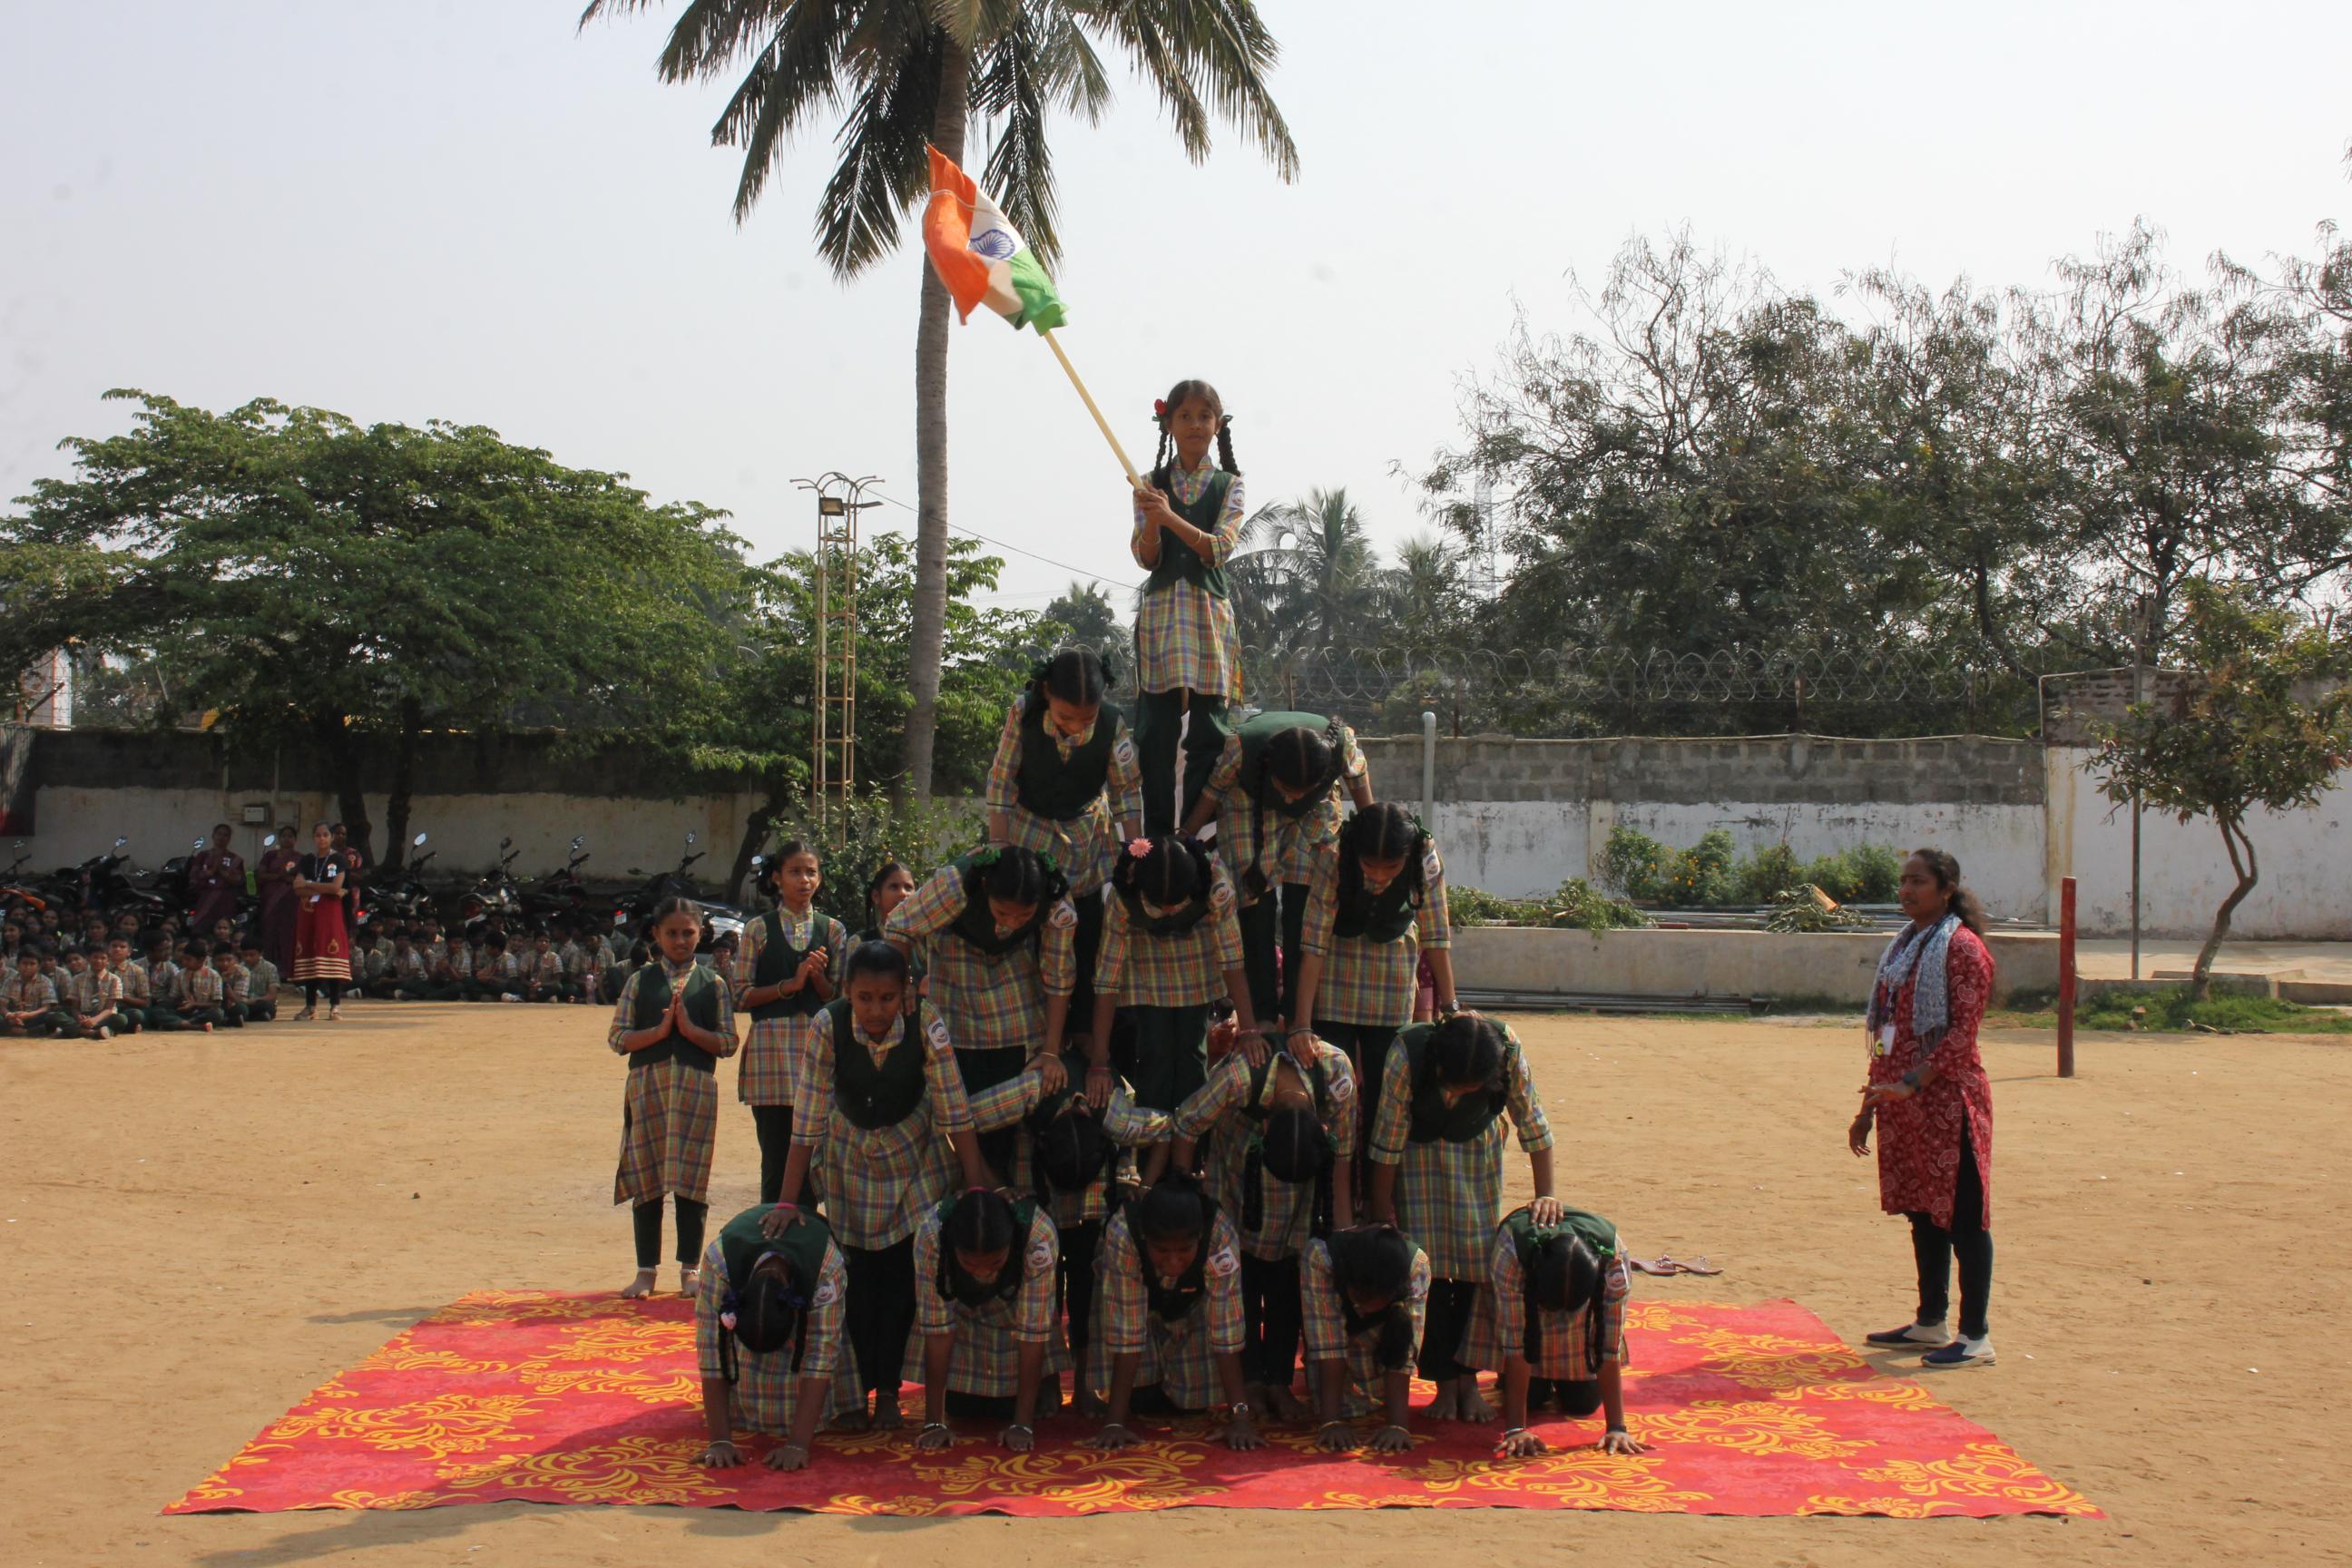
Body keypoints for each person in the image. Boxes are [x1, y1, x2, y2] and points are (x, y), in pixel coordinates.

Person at [763, 939, 989, 1432]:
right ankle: (856, 1394)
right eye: (864, 998)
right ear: (846, 991)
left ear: (905, 992)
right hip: (850, 1159)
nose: (876, 1010)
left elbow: (955, 1111)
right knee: (858, 1281)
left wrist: (976, 1193)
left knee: (904, 1279)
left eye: (887, 998)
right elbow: (806, 1120)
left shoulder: (927, 1022)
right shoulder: (827, 1026)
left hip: (914, 1157)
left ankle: (889, 1391)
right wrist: (787, 1200)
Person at [1366, 1012, 1555, 1423]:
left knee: (1475, 1269)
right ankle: (1444, 1384)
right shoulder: (1406, 1052)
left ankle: (1468, 1381)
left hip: (1477, 1156)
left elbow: (1533, 1121)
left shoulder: (1506, 1048)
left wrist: (1546, 1195)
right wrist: (1381, 1221)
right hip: (1417, 1159)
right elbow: (1386, 1141)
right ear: (1438, 1068)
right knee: (1426, 1269)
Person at [1851, 848, 2000, 1370]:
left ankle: (1975, 1336)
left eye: (1918, 881)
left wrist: (1912, 1083)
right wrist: (1870, 1105)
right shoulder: (1903, 948)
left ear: (1947, 888)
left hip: (1948, 1104)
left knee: (1963, 1217)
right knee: (1922, 1213)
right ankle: (1930, 1320)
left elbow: (1961, 1036)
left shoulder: (1963, 950)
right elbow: (1884, 1034)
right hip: (1903, 1105)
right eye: (1903, 881)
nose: (1906, 891)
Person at [1171, 1014, 1356, 1421]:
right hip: (1237, 1180)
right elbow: (1186, 1122)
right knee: (1243, 1280)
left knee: (1288, 1281)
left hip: (1304, 1195)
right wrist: (1186, 1200)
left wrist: (1341, 1234)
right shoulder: (1239, 1077)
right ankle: (1251, 1382)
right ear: (1266, 1124)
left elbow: (1343, 1157)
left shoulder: (1336, 1074)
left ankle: (1279, 1383)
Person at [885, 847, 1077, 1181]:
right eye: (1003, 912)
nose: (1012, 922)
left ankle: (1004, 1192)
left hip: (1017, 1014)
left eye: (1023, 915)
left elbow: (1059, 977)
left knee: (1009, 1137)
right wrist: (904, 986)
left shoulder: (1057, 904)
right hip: (957, 1005)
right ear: (986, 887)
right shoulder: (954, 885)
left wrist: (1049, 1051)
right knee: (958, 1118)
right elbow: (900, 925)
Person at [1291, 803, 1459, 1184]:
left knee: (1385, 1099)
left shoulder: (1424, 856)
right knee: (1333, 1094)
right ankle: (1332, 1191)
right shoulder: (1332, 856)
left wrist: (1450, 1007)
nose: (1380, 876)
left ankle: (1374, 1193)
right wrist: (1302, 1024)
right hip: (1334, 982)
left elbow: (1436, 933)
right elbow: (1313, 944)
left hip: (1391, 987)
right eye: (1370, 866)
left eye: (1391, 867)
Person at [986, 646, 1146, 1045]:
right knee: (1030, 932)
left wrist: (1135, 851)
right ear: (1046, 693)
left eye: (1085, 719)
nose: (1075, 727)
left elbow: (1127, 792)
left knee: (1087, 936)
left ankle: (1084, 1035)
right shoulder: (1022, 712)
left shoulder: (1112, 724)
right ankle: (1036, 1034)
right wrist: (1000, 848)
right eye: (1064, 717)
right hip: (1029, 835)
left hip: (1086, 839)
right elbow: (1002, 781)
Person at [1182, 711, 1374, 1024]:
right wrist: (1186, 836)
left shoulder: (1342, 744)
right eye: (1286, 789)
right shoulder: (1241, 748)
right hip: (1249, 804)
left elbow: (1361, 791)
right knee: (1254, 903)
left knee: (1307, 905)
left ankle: (1299, 1014)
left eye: (1300, 792)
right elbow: (1213, 792)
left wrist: (1374, 834)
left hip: (1317, 809)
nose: (1291, 799)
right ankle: (1263, 1015)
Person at [1129, 379, 1247, 835]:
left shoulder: (1230, 485)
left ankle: (1194, 836)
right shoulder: (1149, 485)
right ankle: (1157, 838)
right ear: (1169, 424)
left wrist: (1167, 516)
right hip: (1162, 616)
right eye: (1185, 416)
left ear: (1217, 425)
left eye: (1204, 416)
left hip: (1207, 617)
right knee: (1155, 733)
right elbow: (1147, 558)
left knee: (1208, 731)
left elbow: (1218, 549)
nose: (1195, 424)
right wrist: (1152, 521)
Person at [609, 897, 740, 1300]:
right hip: (647, 1085)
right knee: (647, 1177)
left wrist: (688, 1029)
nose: (680, 940)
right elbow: (617, 1038)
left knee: (691, 1180)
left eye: (688, 933)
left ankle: (690, 1269)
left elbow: (728, 1043)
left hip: (696, 1089)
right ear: (656, 934)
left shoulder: (714, 984)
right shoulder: (639, 981)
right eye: (672, 933)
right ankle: (645, 1271)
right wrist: (660, 1032)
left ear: (701, 934)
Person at [1087, 835, 1256, 1128]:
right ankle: (1154, 1140)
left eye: (1174, 905)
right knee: (1155, 1053)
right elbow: (1106, 980)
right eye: (1159, 905)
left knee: (1192, 1053)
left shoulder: (1217, 884)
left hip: (1198, 963)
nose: (1167, 912)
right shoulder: (1123, 894)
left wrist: (1250, 1030)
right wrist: (1099, 1061)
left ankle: (1190, 1142)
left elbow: (1232, 959)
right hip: (1147, 970)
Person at [1086, 1174, 1261, 1450]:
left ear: (1200, 1237)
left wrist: (1240, 1418)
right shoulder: (1123, 1232)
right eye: (1161, 1250)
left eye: (1184, 1250)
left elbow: (1226, 1328)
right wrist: (1115, 1423)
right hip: (1139, 1311)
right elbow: (1127, 1330)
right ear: (1145, 1238)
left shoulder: (1220, 1233)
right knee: (1141, 1401)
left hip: (1191, 1311)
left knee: (1192, 1405)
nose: (1173, 1261)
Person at [1465, 1203, 1643, 1457]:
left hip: (1577, 1324)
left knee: (1582, 1403)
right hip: (1527, 1315)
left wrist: (1617, 1427)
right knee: (1531, 1398)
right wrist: (1516, 1429)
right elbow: (1516, 1342)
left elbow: (1608, 1341)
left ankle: (1555, 1378)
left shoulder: (1613, 1263)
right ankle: (1528, 1380)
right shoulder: (1511, 1254)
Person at [693, 1202, 856, 1472]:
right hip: (742, 1291)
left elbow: (821, 1352)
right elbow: (710, 1347)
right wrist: (720, 1440)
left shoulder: (826, 1268)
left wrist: (798, 1444)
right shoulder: (719, 1261)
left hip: (812, 1293)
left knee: (826, 1351)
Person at [731, 844, 848, 1209]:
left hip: (817, 1054)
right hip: (771, 1058)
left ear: (820, 879)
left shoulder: (833, 930)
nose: (804, 880)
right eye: (795, 872)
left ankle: (807, 1235)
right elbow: (740, 995)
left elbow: (841, 999)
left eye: (811, 872)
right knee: (775, 1158)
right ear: (777, 878)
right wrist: (790, 985)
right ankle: (772, 1235)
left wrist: (817, 980)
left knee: (816, 1160)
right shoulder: (757, 929)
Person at [911, 1186, 1063, 1452]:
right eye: (970, 1263)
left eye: (995, 1262)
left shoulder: (1038, 1234)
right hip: (962, 1321)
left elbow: (1033, 1330)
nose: (983, 1273)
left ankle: (1045, 1383)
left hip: (1014, 1321)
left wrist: (1022, 1425)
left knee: (1009, 1409)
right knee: (963, 1409)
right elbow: (937, 1328)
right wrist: (933, 1422)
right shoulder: (931, 1233)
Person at [1300, 1221, 1428, 1453]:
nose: (1361, 1307)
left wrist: (1398, 1425)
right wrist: (1331, 1421)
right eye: (1358, 1298)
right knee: (1332, 1403)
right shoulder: (1321, 1256)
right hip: (1340, 1337)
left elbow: (1407, 1345)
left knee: (1380, 1392)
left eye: (1369, 1301)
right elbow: (1327, 1341)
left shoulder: (1416, 1266)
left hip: (1384, 1335)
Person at [291, 824, 353, 1021]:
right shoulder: (307, 860)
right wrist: (323, 888)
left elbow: (336, 886)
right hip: (308, 912)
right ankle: (310, 1006)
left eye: (325, 835)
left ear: (331, 837)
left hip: (330, 913)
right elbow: (297, 889)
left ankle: (335, 1006)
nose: (322, 839)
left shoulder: (339, 859)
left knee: (332, 955)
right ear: (313, 838)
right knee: (311, 956)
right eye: (318, 835)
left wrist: (309, 884)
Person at [255, 827, 299, 976]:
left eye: (290, 836)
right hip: (270, 901)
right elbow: (260, 875)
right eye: (284, 836)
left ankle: (287, 971)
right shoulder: (270, 856)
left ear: (295, 839)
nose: (287, 839)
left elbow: (303, 879)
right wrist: (278, 876)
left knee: (288, 934)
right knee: (269, 934)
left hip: (291, 902)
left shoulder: (300, 858)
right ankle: (267, 971)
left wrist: (288, 879)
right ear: (279, 838)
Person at [187, 823, 244, 934]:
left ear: (229, 839)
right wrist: (211, 872)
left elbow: (239, 880)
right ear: (213, 836)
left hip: (225, 899)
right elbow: (194, 876)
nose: (221, 837)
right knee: (201, 930)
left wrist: (222, 872)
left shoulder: (235, 859)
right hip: (205, 897)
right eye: (219, 834)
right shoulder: (203, 856)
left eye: (225, 835)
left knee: (223, 930)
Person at [3, 950, 71, 1037]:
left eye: (32, 964)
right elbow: (2, 1005)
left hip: (36, 1017)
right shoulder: (9, 981)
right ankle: (29, 1033)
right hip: (14, 1018)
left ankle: (24, 1032)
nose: (28, 967)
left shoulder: (45, 981)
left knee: (56, 1017)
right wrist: (9, 1015)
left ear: (39, 966)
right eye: (24, 963)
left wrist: (29, 1015)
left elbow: (47, 1007)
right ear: (18, 965)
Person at [70, 946, 127, 1040]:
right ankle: (95, 1032)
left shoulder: (114, 979)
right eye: (95, 957)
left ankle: (79, 1031)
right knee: (57, 1017)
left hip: (104, 1016)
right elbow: (74, 1007)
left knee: (121, 1019)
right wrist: (80, 1017)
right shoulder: (77, 979)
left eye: (103, 958)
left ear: (108, 960)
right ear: (88, 959)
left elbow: (109, 1008)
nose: (99, 961)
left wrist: (95, 1020)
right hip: (85, 1015)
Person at [858, 860, 917, 947]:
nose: (903, 893)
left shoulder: (926, 939)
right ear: (876, 896)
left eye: (908, 888)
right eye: (894, 887)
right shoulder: (860, 942)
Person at [173, 939, 228, 1032]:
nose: (184, 962)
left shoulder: (213, 975)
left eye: (188, 959)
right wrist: (182, 1003)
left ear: (201, 960)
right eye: (184, 958)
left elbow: (217, 1003)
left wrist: (194, 1004)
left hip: (204, 1011)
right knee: (159, 1011)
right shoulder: (180, 974)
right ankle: (194, 1025)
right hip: (185, 1012)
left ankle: (182, 1024)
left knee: (217, 1013)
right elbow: (174, 997)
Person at [238, 940, 280, 1022]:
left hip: (260, 1003)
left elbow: (272, 996)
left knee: (268, 1006)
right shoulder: (239, 968)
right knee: (238, 1008)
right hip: (243, 1003)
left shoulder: (270, 968)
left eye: (252, 955)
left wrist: (251, 1001)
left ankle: (247, 1017)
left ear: (260, 954)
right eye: (245, 955)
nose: (248, 958)